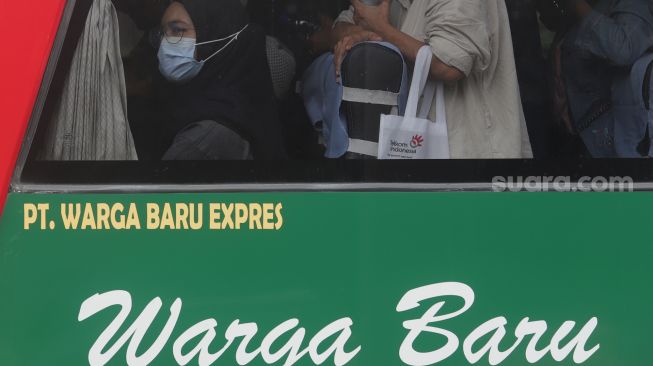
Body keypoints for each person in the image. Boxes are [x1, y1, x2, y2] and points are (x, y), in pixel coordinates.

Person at [331, 0, 533, 159]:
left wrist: (380, 29)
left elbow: (448, 66)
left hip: (472, 155)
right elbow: (340, 26)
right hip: (423, 154)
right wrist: (364, 34)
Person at [156, 0, 286, 160]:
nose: (165, 42)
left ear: (220, 35)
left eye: (178, 30)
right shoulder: (238, 109)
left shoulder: (204, 139)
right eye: (163, 32)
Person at [538, 0, 653, 158]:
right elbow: (550, 19)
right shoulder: (583, 11)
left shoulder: (632, 5)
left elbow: (624, 49)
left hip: (607, 143)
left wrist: (580, 7)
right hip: (571, 134)